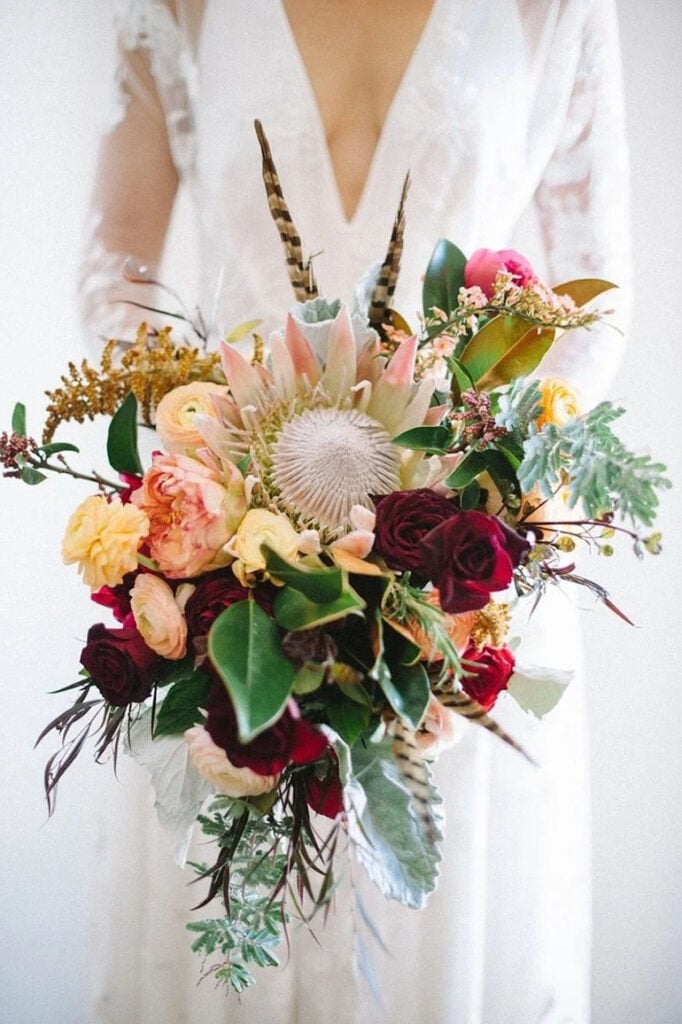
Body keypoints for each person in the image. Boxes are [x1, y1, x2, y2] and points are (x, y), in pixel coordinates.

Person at [79, 2, 630, 1022]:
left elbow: (592, 310)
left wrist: (469, 481)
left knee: (439, 933)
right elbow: (115, 271)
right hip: (226, 557)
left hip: (458, 578)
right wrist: (223, 462)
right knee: (229, 908)